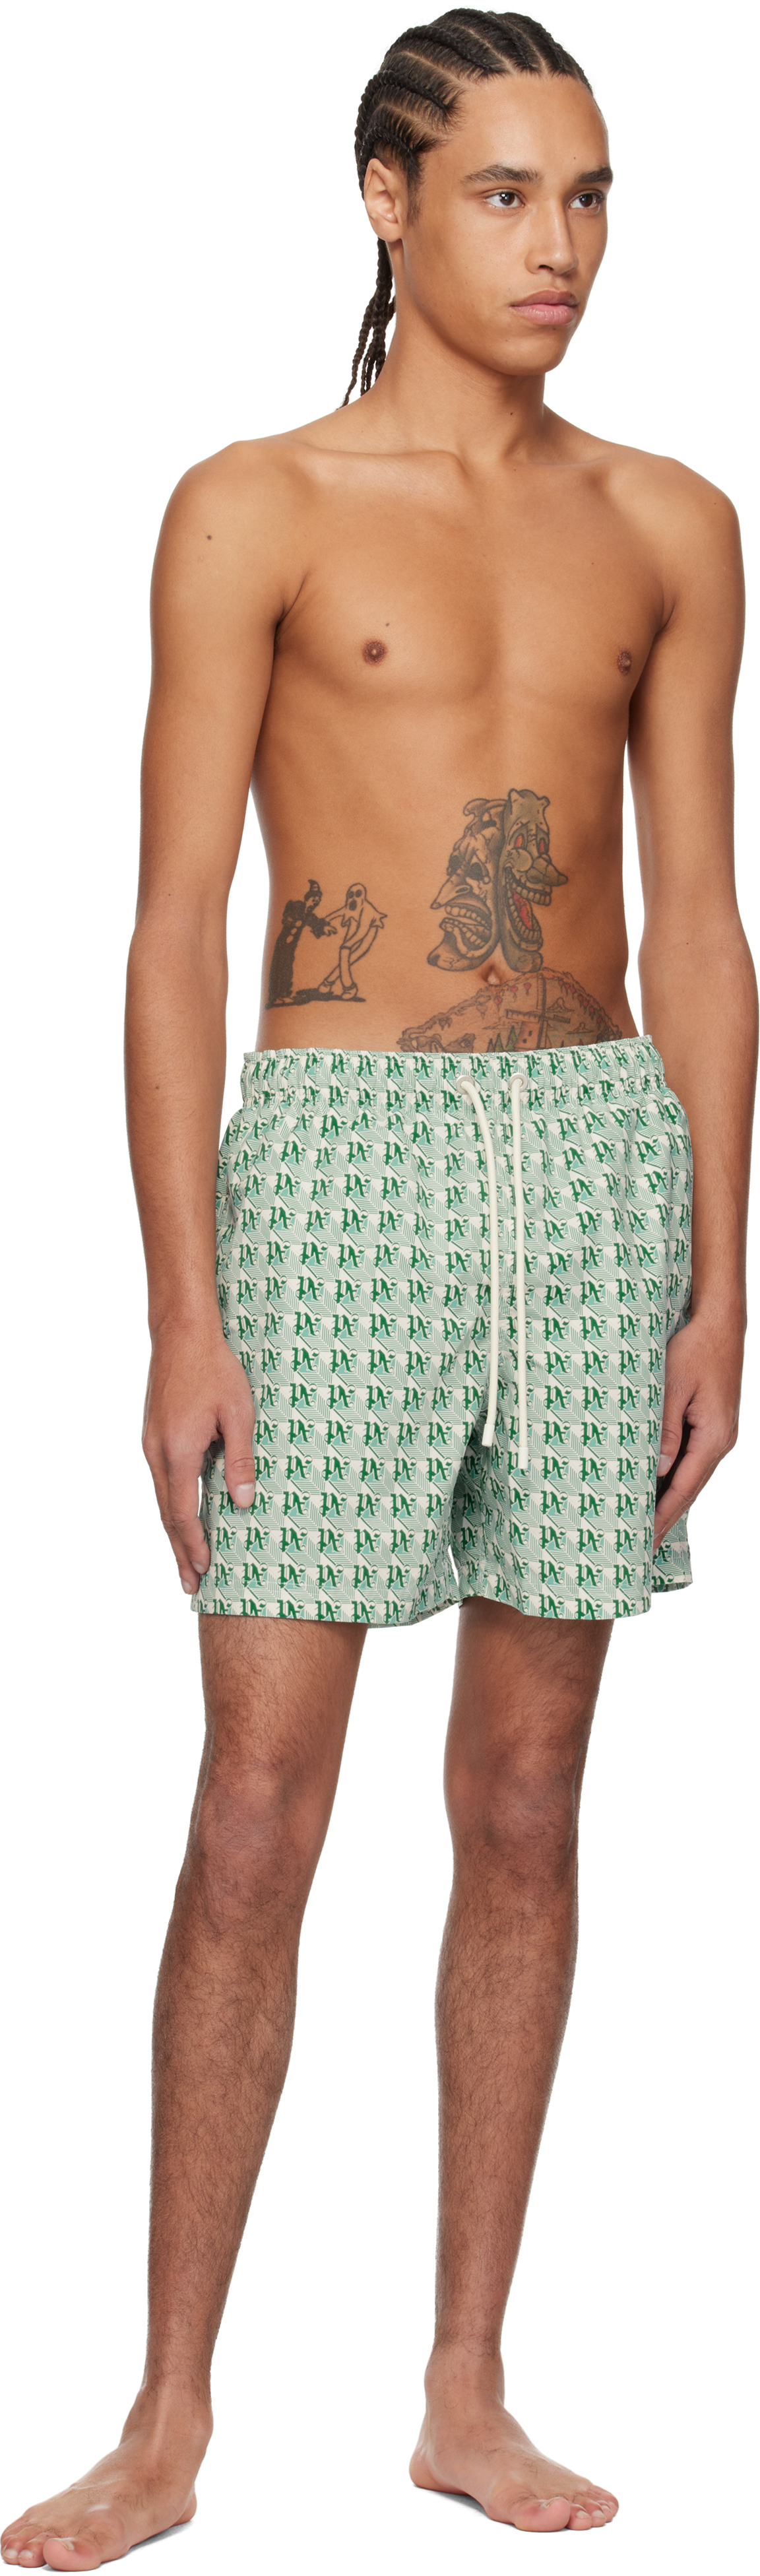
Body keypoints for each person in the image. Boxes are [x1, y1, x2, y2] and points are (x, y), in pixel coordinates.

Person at [3, 9, 755, 2565]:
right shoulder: (253, 506)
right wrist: (177, 1303)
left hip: (595, 1156)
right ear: (387, 202)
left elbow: (703, 925)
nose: (563, 246)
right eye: (510, 193)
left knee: (530, 1794)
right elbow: (167, 927)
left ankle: (462, 2382)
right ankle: (165, 2414)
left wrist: (718, 1278)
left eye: (594, 195)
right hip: (334, 1155)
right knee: (257, 1799)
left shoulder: (672, 521)